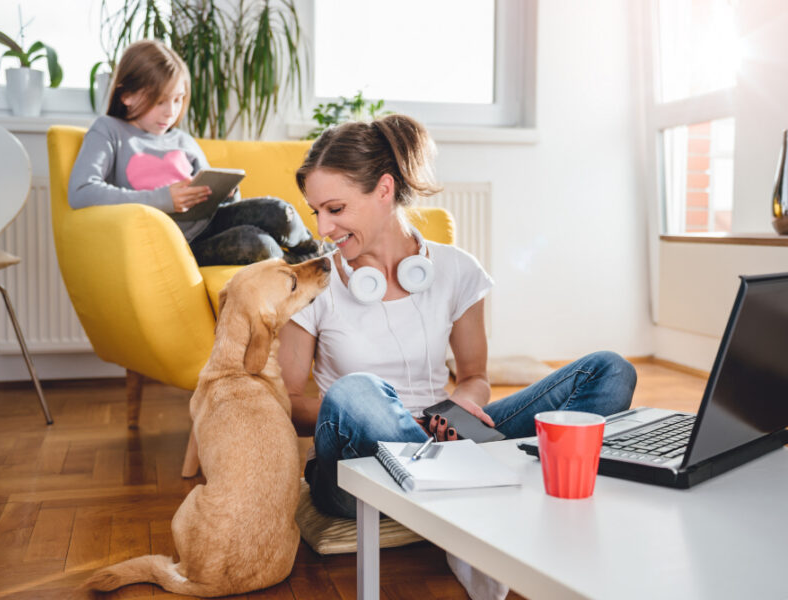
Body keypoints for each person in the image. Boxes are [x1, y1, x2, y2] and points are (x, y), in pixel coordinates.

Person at [281, 114, 636, 600]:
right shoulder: (312, 282)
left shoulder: (455, 270)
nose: (323, 227)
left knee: (610, 369)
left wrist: (462, 406)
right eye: (315, 211)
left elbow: (474, 377)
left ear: (384, 189)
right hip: (357, 469)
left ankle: (462, 484)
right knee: (356, 392)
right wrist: (389, 415)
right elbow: (288, 401)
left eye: (336, 208)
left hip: (445, 435)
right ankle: (482, 496)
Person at [68, 39, 321, 266]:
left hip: (211, 223)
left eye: (178, 99)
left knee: (278, 211)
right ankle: (299, 265)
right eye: (160, 101)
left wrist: (227, 193)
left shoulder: (182, 140)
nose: (171, 112)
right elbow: (81, 191)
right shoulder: (109, 130)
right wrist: (164, 198)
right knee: (256, 244)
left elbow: (223, 204)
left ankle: (317, 251)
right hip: (180, 244)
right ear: (126, 95)